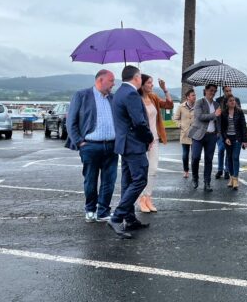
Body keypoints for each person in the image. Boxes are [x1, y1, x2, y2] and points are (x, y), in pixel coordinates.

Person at [65, 69, 118, 223]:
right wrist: (80, 142)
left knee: (109, 180)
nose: (113, 84)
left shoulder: (113, 98)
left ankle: (103, 211)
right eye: (111, 81)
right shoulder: (82, 95)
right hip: (90, 146)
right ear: (100, 80)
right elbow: (71, 122)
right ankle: (90, 209)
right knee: (90, 180)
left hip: (111, 146)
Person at [108, 66, 154, 239]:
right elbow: (139, 122)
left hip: (124, 144)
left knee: (128, 182)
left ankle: (130, 218)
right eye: (140, 77)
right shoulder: (131, 94)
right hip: (134, 145)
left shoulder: (120, 92)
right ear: (136, 77)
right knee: (140, 179)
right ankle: (117, 217)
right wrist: (148, 138)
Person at [138, 73, 173, 213]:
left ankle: (148, 197)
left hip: (155, 139)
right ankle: (140, 198)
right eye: (149, 83)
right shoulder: (136, 99)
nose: (152, 85)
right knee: (141, 171)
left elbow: (169, 105)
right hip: (141, 140)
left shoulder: (153, 97)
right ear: (142, 84)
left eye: (152, 83)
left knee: (153, 169)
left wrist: (165, 89)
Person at [188, 84, 221, 192]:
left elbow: (218, 120)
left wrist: (218, 133)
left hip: (212, 136)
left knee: (209, 160)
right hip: (198, 135)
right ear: (205, 91)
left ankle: (207, 183)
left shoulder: (217, 104)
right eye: (211, 90)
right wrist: (214, 114)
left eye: (215, 91)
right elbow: (200, 116)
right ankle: (195, 178)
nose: (213, 92)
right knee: (195, 157)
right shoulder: (199, 102)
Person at [220, 95, 247, 190]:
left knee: (235, 157)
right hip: (228, 138)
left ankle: (235, 179)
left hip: (237, 138)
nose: (233, 102)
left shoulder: (239, 112)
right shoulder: (223, 113)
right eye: (230, 101)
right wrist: (225, 138)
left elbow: (243, 126)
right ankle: (232, 177)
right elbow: (222, 128)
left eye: (234, 100)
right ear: (227, 103)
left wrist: (245, 140)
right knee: (229, 158)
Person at [215, 86, 241, 180]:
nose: (228, 92)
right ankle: (220, 169)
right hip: (221, 131)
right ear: (223, 91)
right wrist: (218, 131)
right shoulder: (218, 100)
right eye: (226, 91)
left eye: (230, 90)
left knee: (228, 152)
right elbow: (217, 118)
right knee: (221, 149)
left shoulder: (236, 100)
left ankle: (227, 171)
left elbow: (239, 115)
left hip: (231, 132)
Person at [173, 89, 196, 178]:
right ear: (188, 97)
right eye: (193, 95)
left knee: (195, 155)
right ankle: (186, 170)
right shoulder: (181, 107)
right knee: (185, 154)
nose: (194, 97)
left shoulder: (197, 106)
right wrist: (180, 125)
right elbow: (175, 118)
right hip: (185, 134)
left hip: (195, 134)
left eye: (195, 95)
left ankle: (194, 171)